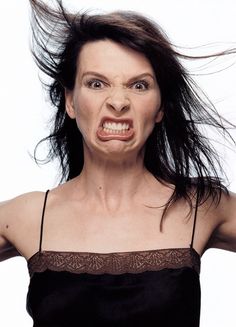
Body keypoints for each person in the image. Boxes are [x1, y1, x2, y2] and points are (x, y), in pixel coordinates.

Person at [0, 0, 235, 326]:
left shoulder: (202, 207)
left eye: (139, 85)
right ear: (70, 101)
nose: (118, 102)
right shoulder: (24, 218)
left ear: (160, 108)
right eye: (97, 83)